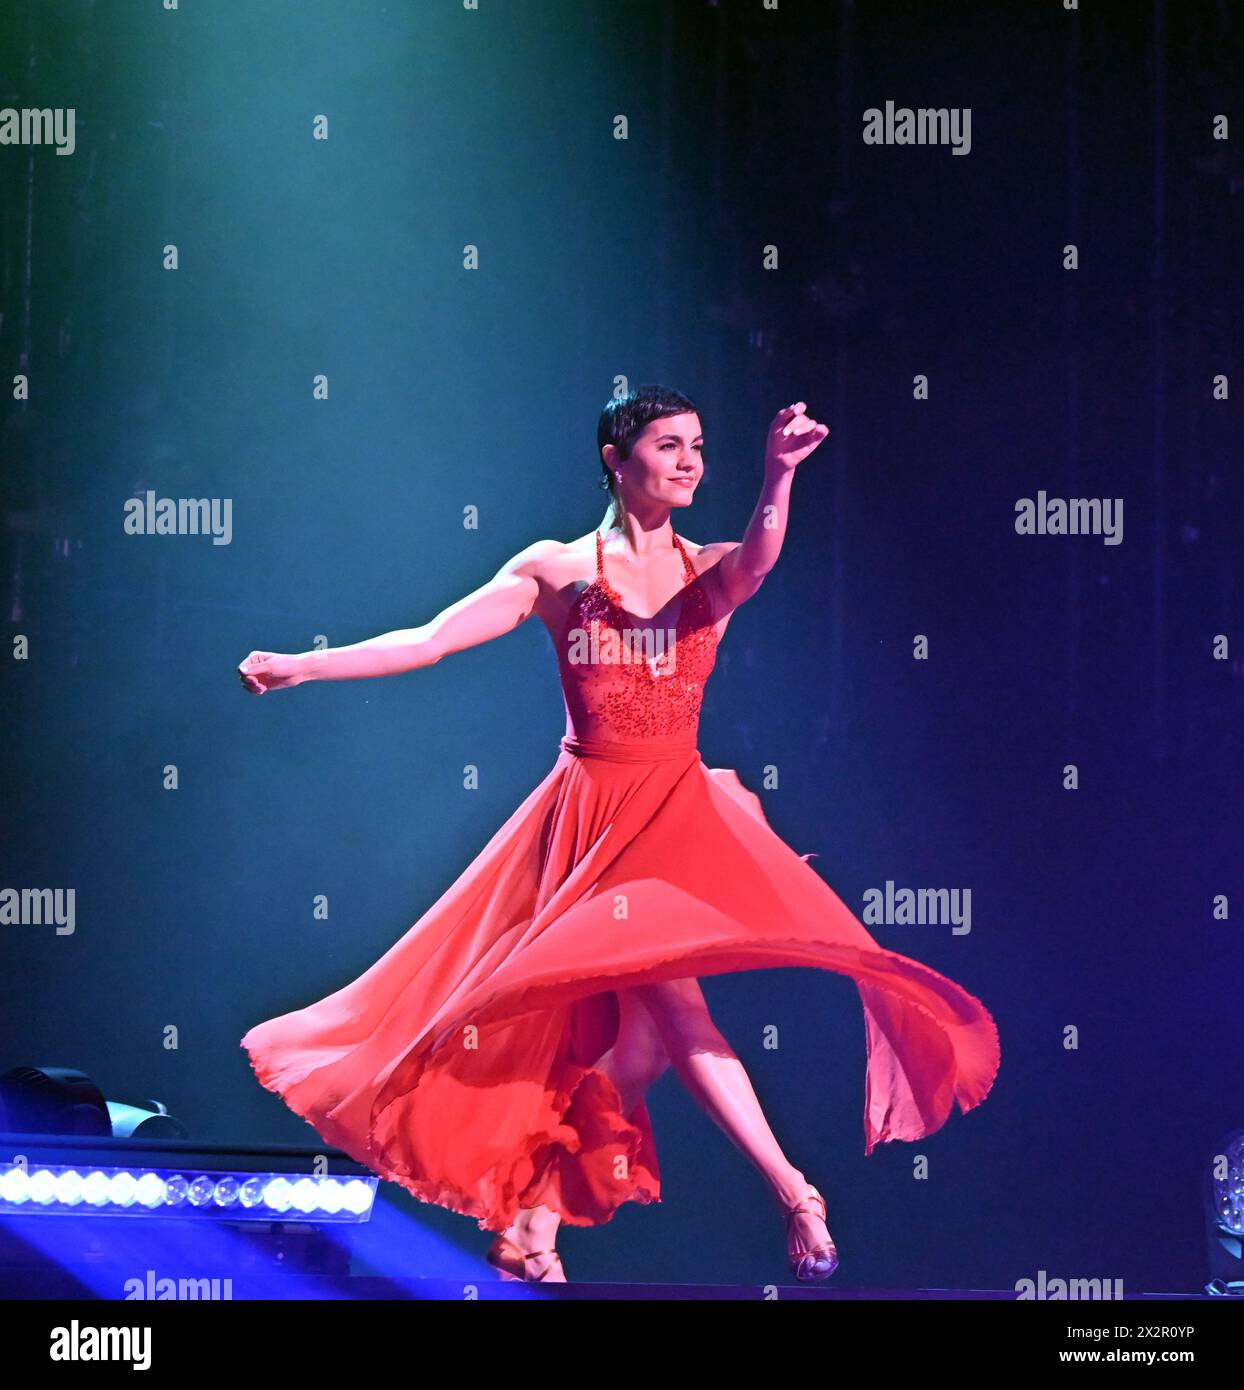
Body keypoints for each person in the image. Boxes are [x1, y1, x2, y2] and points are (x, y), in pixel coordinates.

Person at [237, 384, 1000, 1284]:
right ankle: (572, 1227)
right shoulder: (558, 571)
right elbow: (434, 639)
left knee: (659, 1021)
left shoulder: (707, 568)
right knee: (617, 1038)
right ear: (615, 457)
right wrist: (302, 664)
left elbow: (760, 556)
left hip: (670, 816)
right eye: (670, 445)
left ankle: (747, 1197)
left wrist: (778, 474)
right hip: (586, 821)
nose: (689, 461)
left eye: (700, 447)